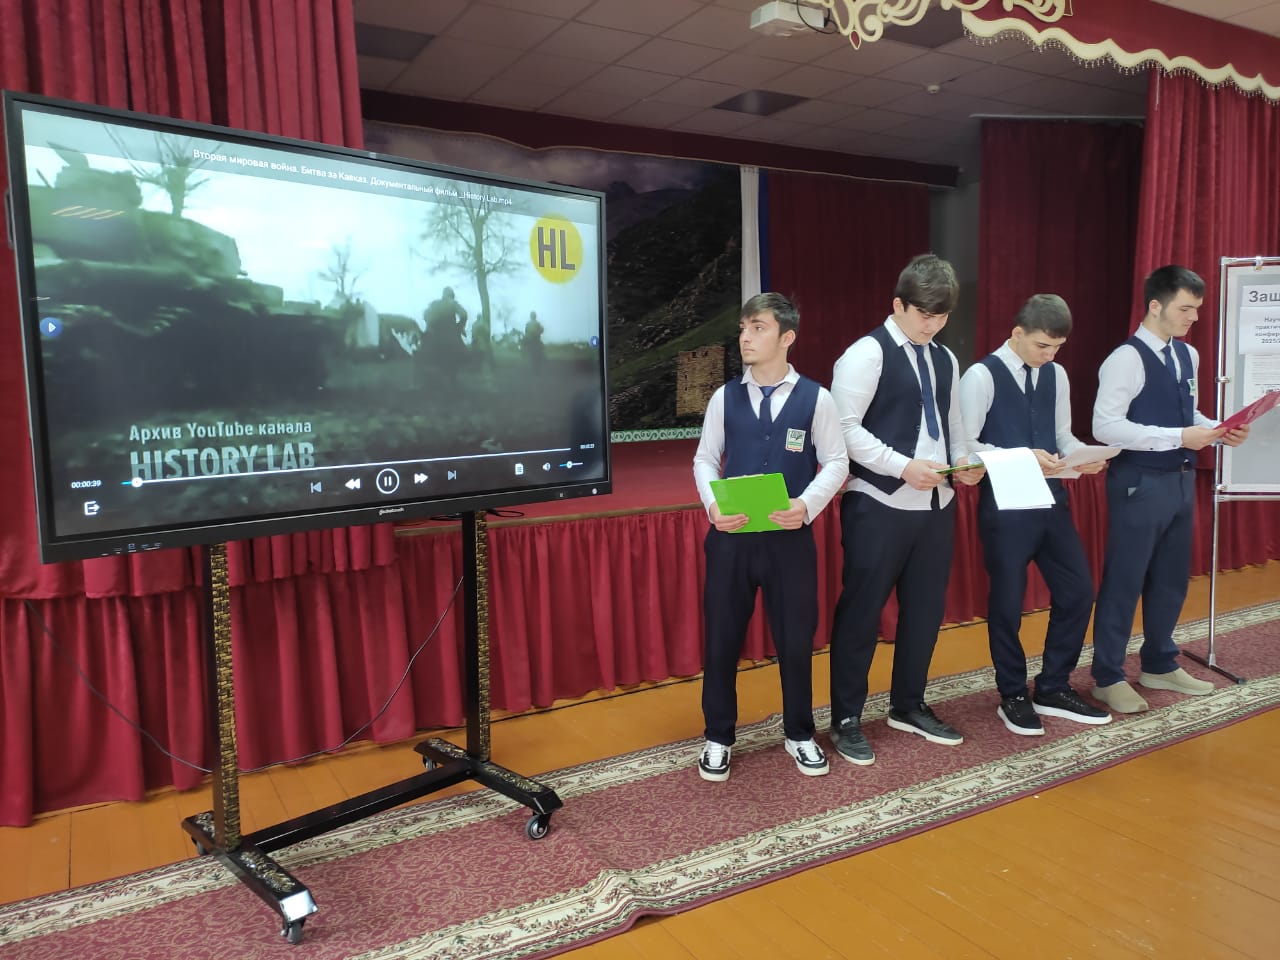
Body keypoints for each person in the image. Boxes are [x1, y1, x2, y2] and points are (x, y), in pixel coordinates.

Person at [827, 254, 984, 766]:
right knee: (862, 612)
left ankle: (908, 704)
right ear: (898, 305)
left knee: (925, 612)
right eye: (924, 315)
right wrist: (900, 467)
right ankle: (846, 717)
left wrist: (964, 462)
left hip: (936, 503)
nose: (932, 325)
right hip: (879, 502)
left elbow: (953, 424)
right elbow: (843, 429)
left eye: (942, 317)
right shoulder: (865, 354)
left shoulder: (945, 358)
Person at [692, 292, 849, 781]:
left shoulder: (816, 399)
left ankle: (799, 733)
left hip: (789, 540)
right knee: (721, 641)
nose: (745, 336)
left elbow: (837, 462)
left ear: (787, 337)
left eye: (757, 327)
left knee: (795, 641)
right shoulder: (724, 397)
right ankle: (718, 736)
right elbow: (704, 459)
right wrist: (713, 507)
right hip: (732, 539)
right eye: (743, 327)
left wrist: (806, 506)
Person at [1090, 265, 1250, 713]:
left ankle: (1159, 663)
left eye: (1197, 309)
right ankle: (1107, 676)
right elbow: (1106, 427)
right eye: (1185, 308)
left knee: (1171, 579)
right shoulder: (1125, 359)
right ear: (1155, 306)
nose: (1193, 317)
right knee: (1125, 580)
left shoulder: (1187, 354)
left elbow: (1188, 413)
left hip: (1179, 479)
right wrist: (1180, 436)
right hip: (1139, 483)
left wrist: (1217, 430)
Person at [958, 294, 1111, 735]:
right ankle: (1011, 693)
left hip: (1052, 500)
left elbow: (1061, 436)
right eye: (1043, 345)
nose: (1050, 355)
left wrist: (1083, 457)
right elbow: (966, 446)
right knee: (1007, 604)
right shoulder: (980, 376)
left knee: (1079, 591)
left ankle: (1053, 686)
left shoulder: (1056, 374)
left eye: (1057, 348)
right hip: (1006, 505)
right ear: (1017, 333)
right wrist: (1024, 456)